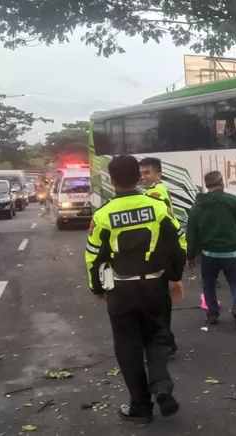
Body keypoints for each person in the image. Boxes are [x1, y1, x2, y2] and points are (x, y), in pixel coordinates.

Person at [85, 155, 186, 423]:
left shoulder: (103, 215)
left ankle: (140, 407)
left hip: (121, 291)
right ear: (138, 176)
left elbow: (93, 255)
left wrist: (97, 286)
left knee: (128, 347)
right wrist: (175, 276)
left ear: (112, 179)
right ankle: (161, 385)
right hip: (154, 286)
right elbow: (178, 243)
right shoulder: (157, 208)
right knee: (157, 337)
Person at [186, 170, 236, 328]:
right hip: (232, 252)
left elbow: (192, 234)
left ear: (206, 185)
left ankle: (212, 314)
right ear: (221, 183)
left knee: (208, 283)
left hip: (209, 253)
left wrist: (190, 256)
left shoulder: (197, 206)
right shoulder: (233, 201)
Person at [140, 157, 183, 358]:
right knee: (161, 305)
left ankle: (165, 344)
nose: (143, 176)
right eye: (141, 173)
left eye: (147, 172)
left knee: (160, 306)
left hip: (162, 258)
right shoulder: (155, 193)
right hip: (166, 257)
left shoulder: (156, 196)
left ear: (159, 174)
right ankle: (167, 342)